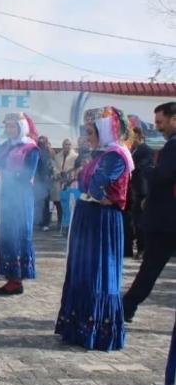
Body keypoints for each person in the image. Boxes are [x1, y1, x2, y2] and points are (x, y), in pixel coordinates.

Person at [55, 106, 133, 351]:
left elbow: (96, 186)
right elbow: (87, 184)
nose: (87, 137)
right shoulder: (103, 154)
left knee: (98, 271)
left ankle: (97, 330)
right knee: (83, 270)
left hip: (101, 220)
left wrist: (96, 195)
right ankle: (79, 327)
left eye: (91, 132)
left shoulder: (116, 155)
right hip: (89, 216)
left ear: (105, 131)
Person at [123, 102, 176, 323]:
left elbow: (163, 176)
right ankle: (127, 306)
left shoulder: (173, 145)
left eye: (160, 122)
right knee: (149, 269)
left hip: (166, 222)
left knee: (149, 269)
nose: (158, 127)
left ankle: (126, 308)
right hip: (166, 218)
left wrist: (146, 169)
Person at [0, 112, 40, 295]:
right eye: (7, 126)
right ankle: (11, 276)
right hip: (6, 195)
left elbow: (27, 175)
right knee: (7, 235)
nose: (9, 129)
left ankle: (16, 279)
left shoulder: (31, 149)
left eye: (12, 126)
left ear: (21, 127)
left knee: (17, 235)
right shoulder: (7, 146)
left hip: (20, 197)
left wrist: (4, 176)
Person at [129, 126, 154, 259]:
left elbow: (140, 167)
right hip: (132, 190)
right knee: (133, 221)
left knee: (140, 221)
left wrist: (127, 167)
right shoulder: (133, 150)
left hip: (141, 191)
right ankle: (134, 247)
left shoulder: (146, 150)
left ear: (138, 136)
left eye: (132, 136)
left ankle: (142, 249)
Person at [51, 138, 78, 231]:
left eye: (69, 144)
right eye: (65, 144)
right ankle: (60, 222)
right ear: (62, 145)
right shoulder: (57, 156)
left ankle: (68, 224)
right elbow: (54, 167)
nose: (67, 146)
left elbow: (75, 168)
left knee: (68, 204)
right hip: (58, 181)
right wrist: (58, 173)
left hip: (69, 182)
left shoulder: (75, 156)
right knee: (58, 203)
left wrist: (68, 175)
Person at [33, 136, 54, 231]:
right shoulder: (36, 152)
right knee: (38, 202)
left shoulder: (49, 153)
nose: (41, 143)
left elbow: (51, 167)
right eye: (40, 141)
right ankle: (40, 221)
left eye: (43, 141)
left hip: (46, 182)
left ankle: (46, 222)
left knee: (47, 203)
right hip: (38, 181)